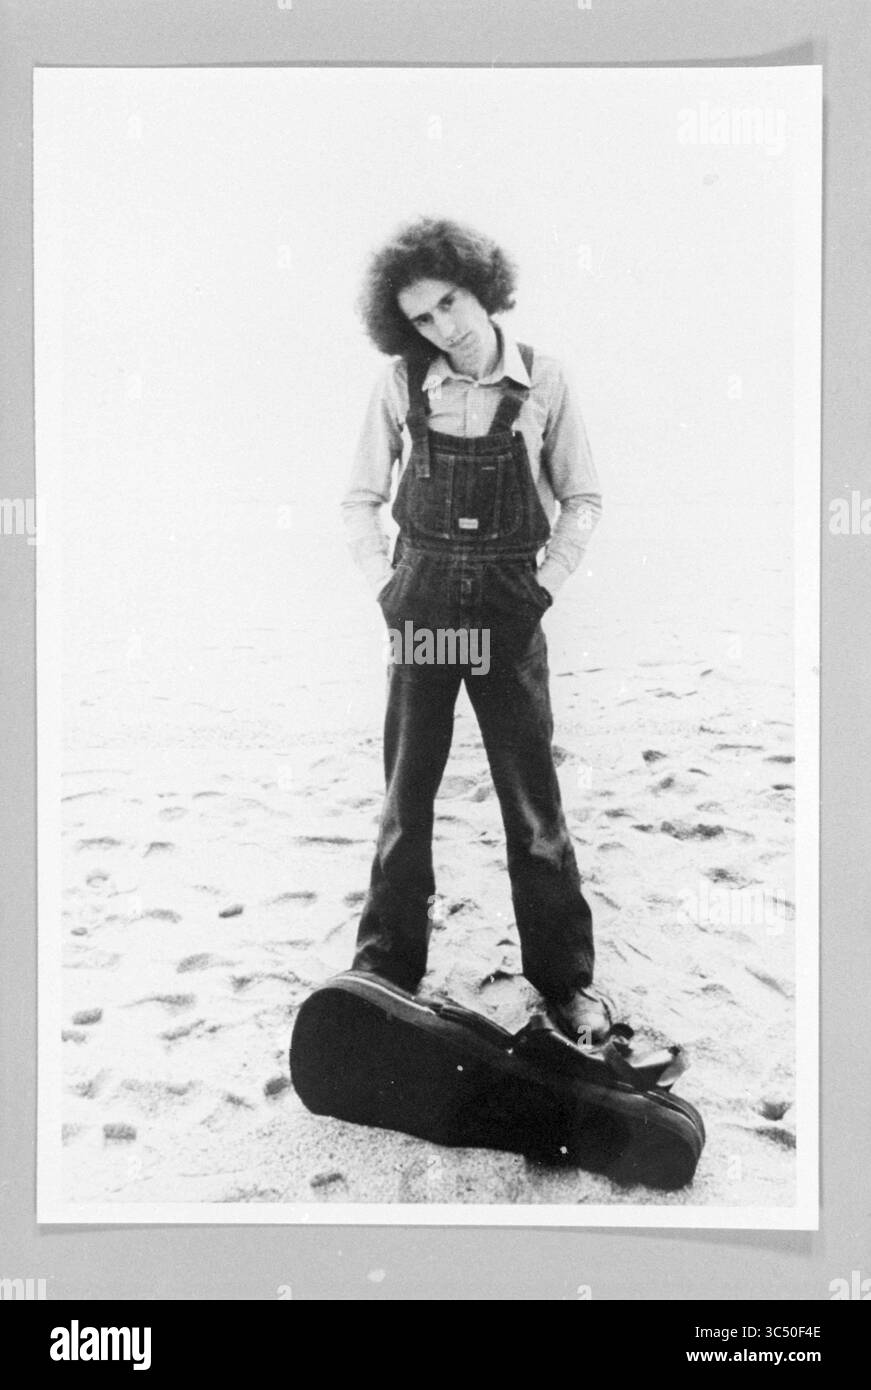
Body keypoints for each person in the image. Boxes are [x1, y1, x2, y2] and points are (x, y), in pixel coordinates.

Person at [340, 216, 611, 1045]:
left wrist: (544, 587)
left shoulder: (545, 382)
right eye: (420, 318)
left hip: (505, 617)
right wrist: (386, 583)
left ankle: (564, 984)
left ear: (480, 288)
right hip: (423, 616)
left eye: (450, 303)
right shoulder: (400, 386)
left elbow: (583, 499)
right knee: (405, 794)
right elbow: (359, 499)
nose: (442, 327)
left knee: (531, 806)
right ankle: (386, 971)